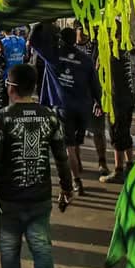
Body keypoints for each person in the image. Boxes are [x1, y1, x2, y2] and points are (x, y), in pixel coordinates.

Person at [0, 64, 74, 268]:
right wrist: (66, 188)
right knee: (41, 248)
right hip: (40, 198)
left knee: (9, 248)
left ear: (10, 88)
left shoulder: (1, 118)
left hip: (8, 198)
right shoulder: (49, 116)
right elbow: (62, 157)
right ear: (34, 88)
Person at [50, 27, 103, 195]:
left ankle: (76, 181)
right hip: (84, 108)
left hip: (65, 108)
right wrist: (98, 103)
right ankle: (77, 166)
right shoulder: (86, 59)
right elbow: (95, 85)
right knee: (76, 142)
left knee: (70, 147)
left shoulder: (55, 57)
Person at [99, 23, 135, 184]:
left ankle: (119, 170)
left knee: (117, 134)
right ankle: (130, 164)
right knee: (125, 131)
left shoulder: (112, 51)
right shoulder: (129, 48)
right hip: (129, 96)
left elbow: (101, 71)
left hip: (117, 98)